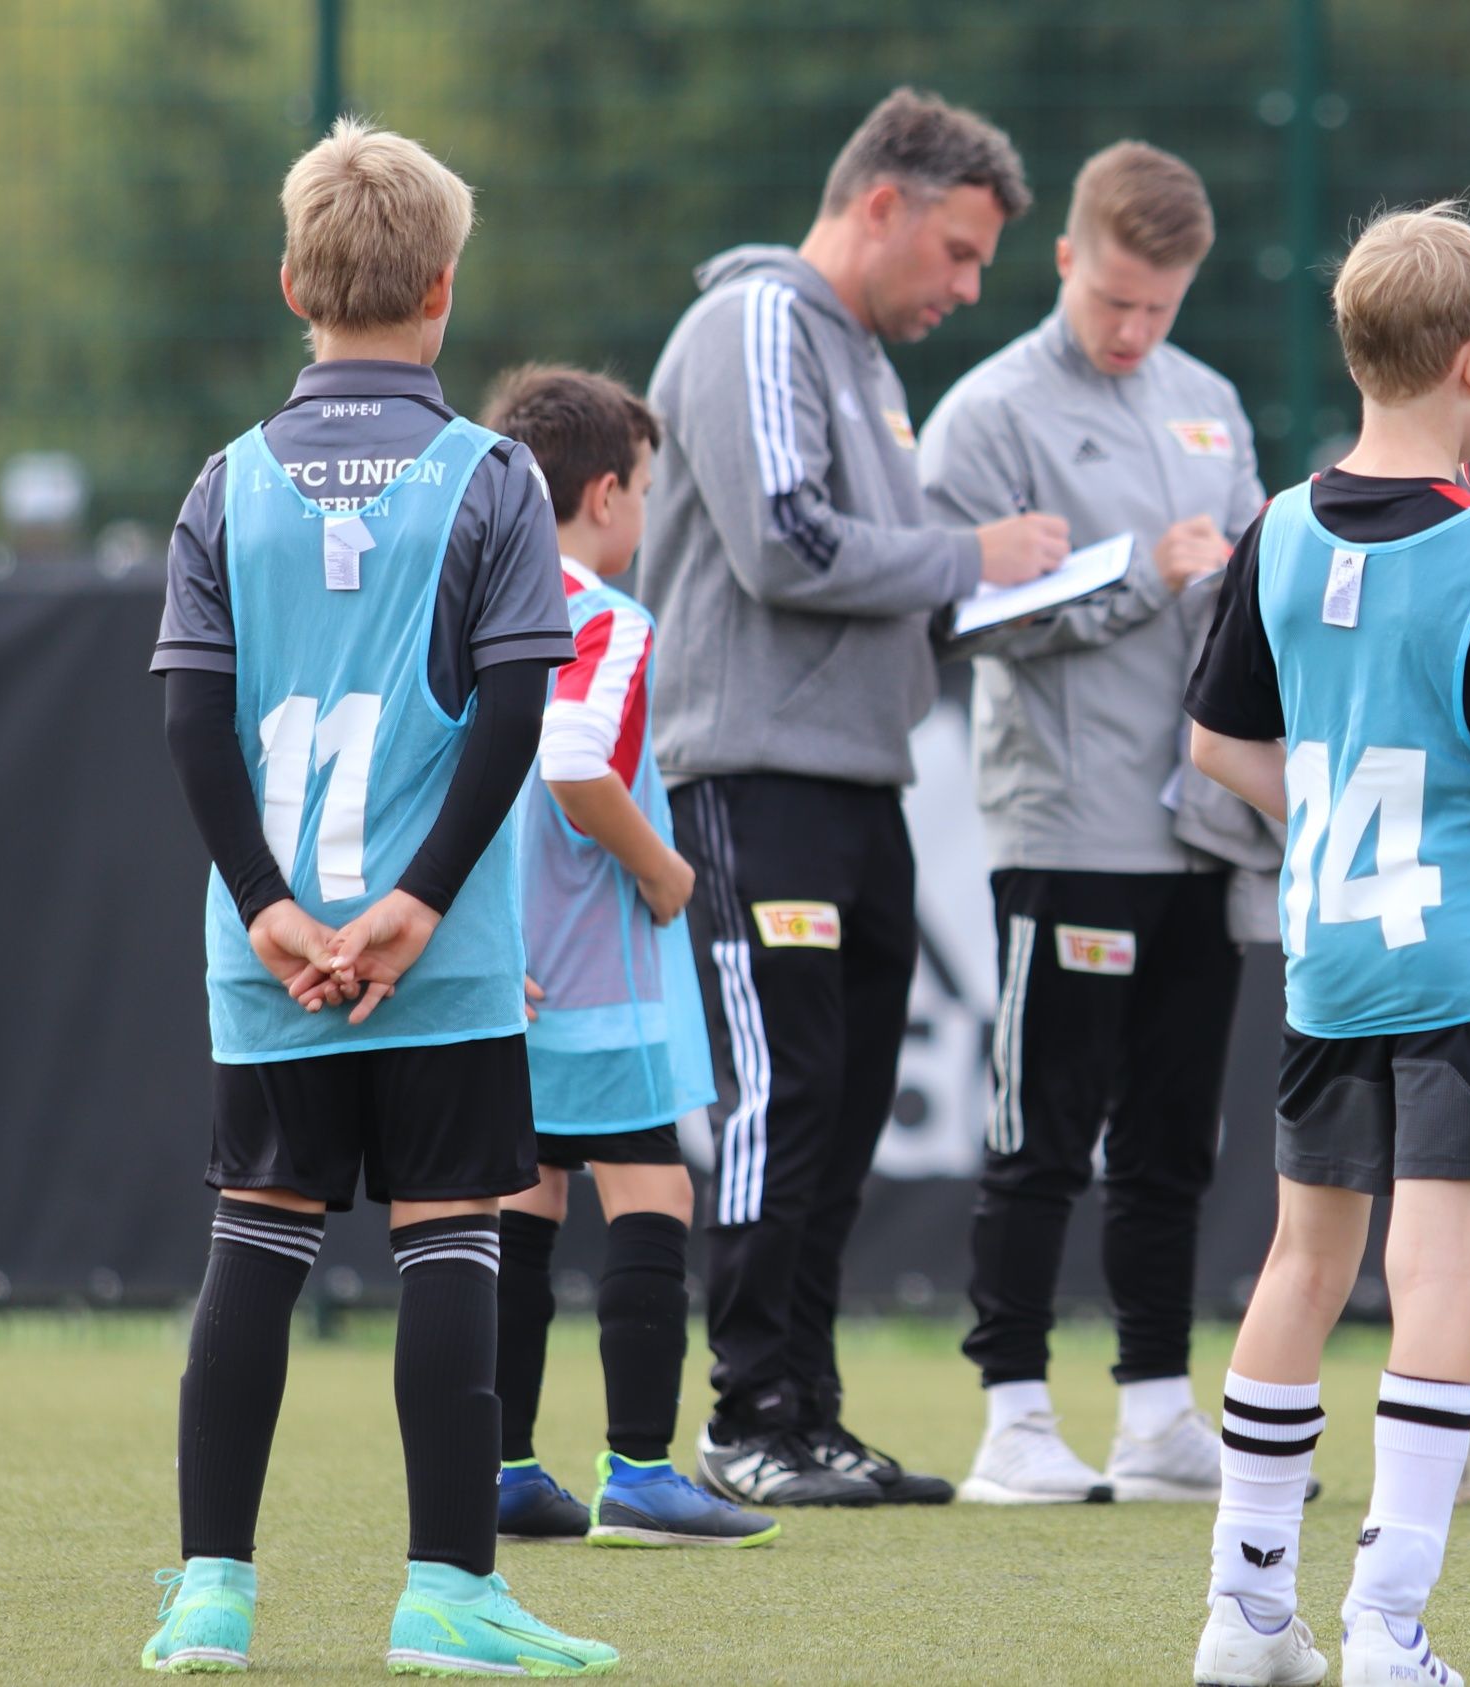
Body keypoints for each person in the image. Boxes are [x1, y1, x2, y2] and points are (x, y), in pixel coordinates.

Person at [142, 120, 615, 1674]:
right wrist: (415, 903)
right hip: (443, 950)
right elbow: (514, 712)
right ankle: (446, 1593)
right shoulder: (491, 478)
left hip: (268, 951)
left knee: (255, 1239)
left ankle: (212, 1590)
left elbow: (193, 721)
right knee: (451, 1236)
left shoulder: (225, 483)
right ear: (442, 288)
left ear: (292, 280)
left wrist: (272, 906)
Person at [1181, 202, 1470, 1687]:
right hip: (1466, 956)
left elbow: (1219, 738)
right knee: (1436, 1271)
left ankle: (1245, 1614)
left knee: (1300, 1259)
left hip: (1331, 951)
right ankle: (1386, 1626)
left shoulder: (1278, 526)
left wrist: (1331, 817)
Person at [640, 88, 1058, 1510]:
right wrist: (969, 558)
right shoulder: (758, 323)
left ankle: (806, 1412)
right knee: (783, 1089)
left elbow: (874, 568)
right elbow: (787, 543)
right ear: (878, 203)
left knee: (847, 1099)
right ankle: (745, 1410)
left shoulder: (865, 364)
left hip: (856, 781)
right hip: (756, 775)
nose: (966, 287)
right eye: (957, 250)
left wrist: (1013, 583)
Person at [915, 141, 1267, 1506]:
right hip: (1064, 828)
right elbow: (958, 614)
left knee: (1175, 1135)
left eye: (1158, 307)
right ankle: (1011, 1412)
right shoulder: (988, 414)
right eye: (1113, 298)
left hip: (1202, 829)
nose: (1132, 330)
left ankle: (1158, 1408)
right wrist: (1136, 578)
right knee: (1041, 1127)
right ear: (1066, 258)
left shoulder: (1210, 403)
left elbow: (1240, 591)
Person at [473, 366, 775, 1551]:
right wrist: (664, 869)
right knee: (652, 1186)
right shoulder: (602, 617)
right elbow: (575, 762)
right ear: (605, 494)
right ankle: (643, 1472)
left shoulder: (465, 602)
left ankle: (500, 1467)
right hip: (601, 967)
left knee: (524, 1195)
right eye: (644, 488)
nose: (645, 511)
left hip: (502, 969)